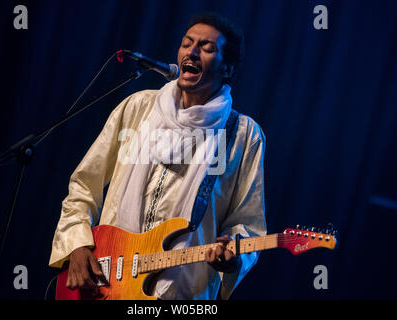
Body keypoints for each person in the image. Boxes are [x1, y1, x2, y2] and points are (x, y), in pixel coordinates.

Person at [49, 12, 266, 300]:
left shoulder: (242, 134)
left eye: (206, 47)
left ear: (227, 68)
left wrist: (234, 256)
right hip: (105, 285)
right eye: (187, 43)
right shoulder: (138, 108)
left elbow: (247, 224)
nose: (192, 51)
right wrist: (77, 244)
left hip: (182, 294)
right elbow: (83, 185)